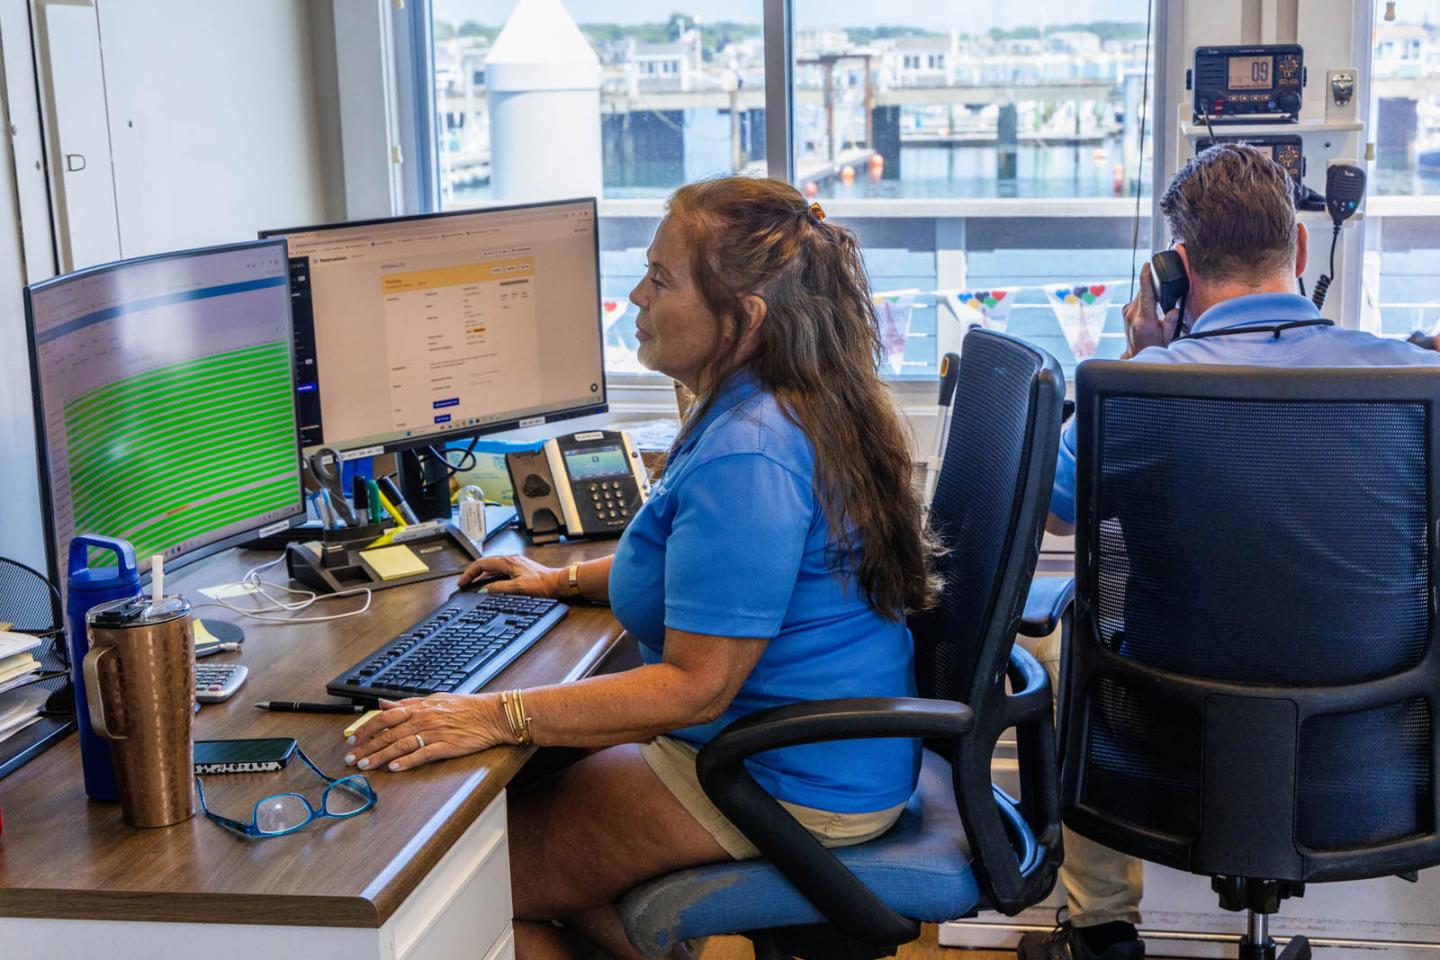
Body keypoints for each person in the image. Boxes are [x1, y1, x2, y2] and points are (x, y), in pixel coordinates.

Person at [348, 176, 939, 960]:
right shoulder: (773, 399)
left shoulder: (751, 450)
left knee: (455, 887)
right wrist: (559, 580)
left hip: (778, 777)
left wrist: (492, 714)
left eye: (661, 280)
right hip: (793, 751)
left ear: (744, 319)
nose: (635, 295)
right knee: (517, 846)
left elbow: (698, 686)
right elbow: (697, 565)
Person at [1023, 143, 1440, 960]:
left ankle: (1102, 928)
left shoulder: (1132, 391)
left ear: (1176, 268)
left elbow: (1052, 515)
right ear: (1302, 249)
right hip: (1374, 760)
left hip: (1163, 755)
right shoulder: (1413, 385)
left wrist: (1143, 356)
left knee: (1058, 637)